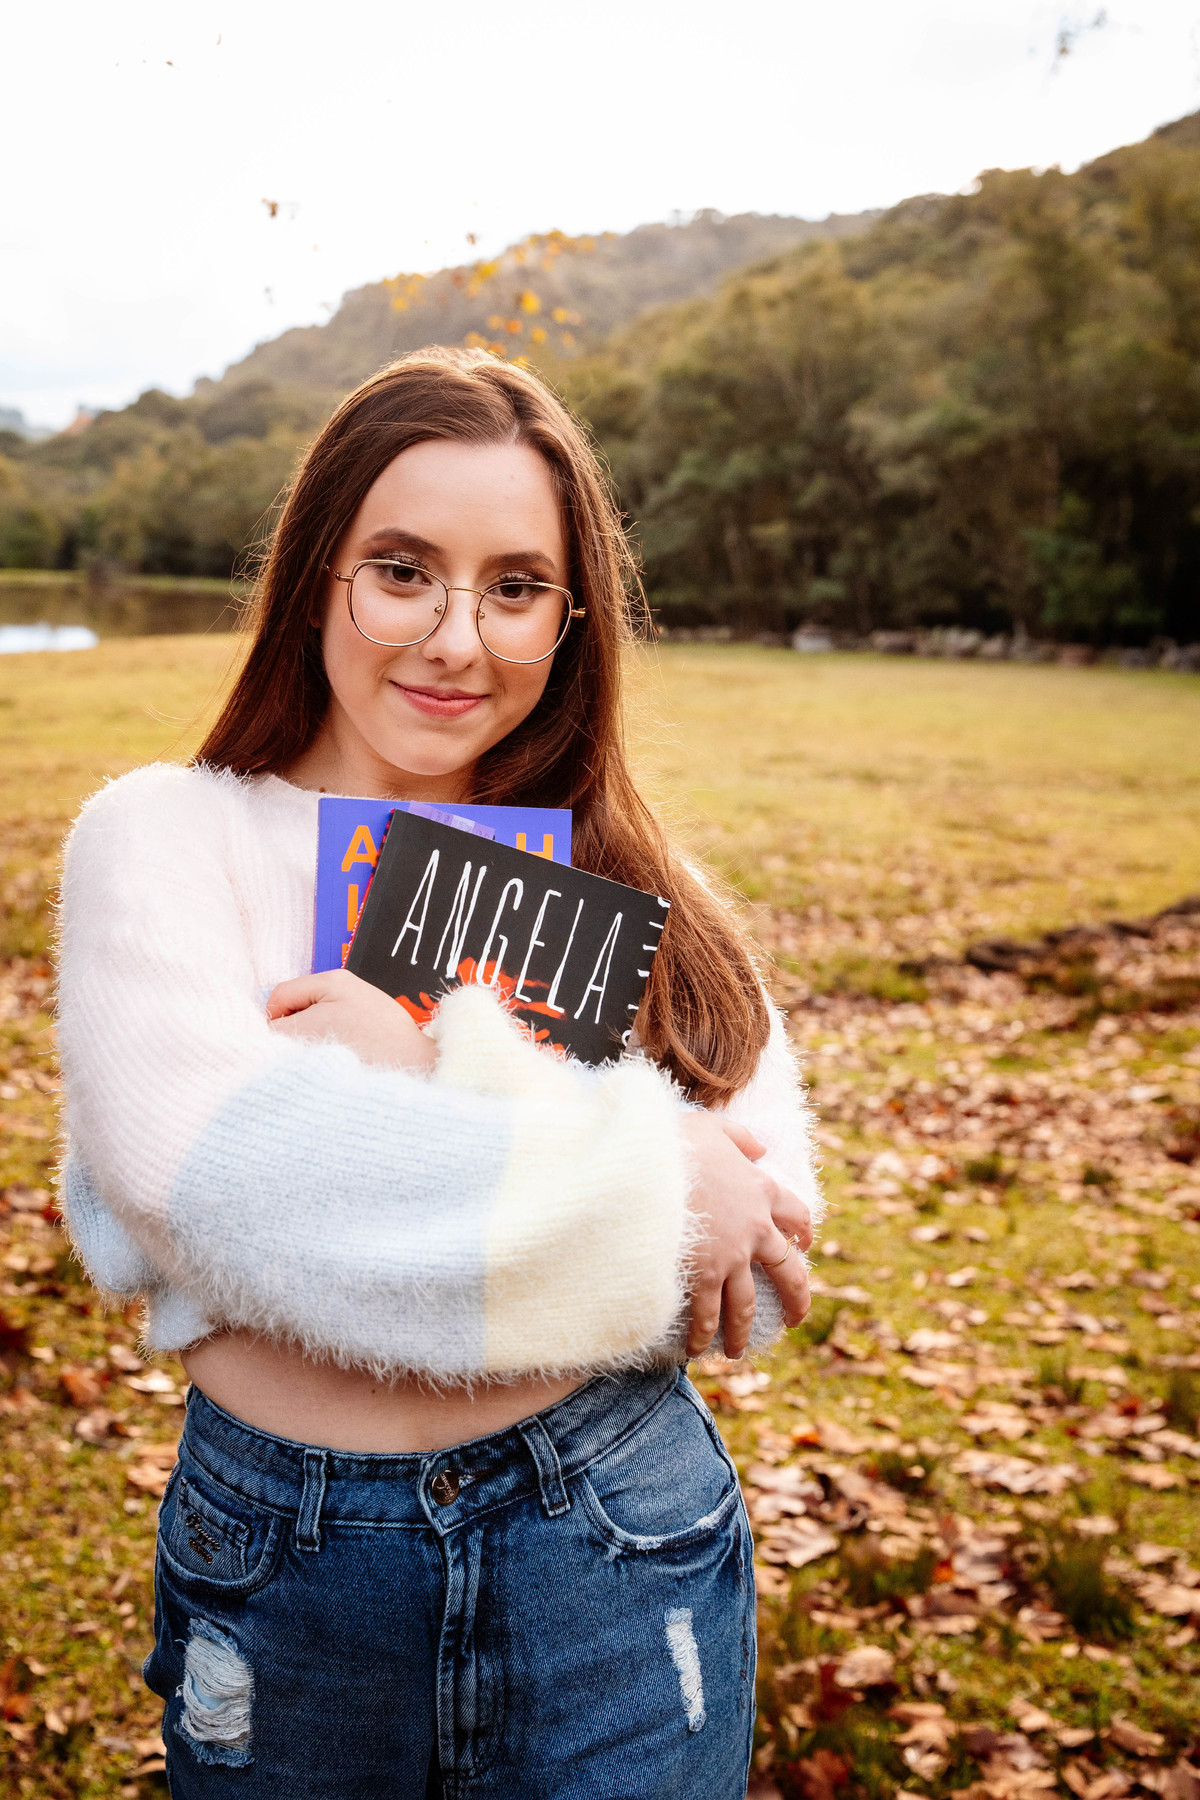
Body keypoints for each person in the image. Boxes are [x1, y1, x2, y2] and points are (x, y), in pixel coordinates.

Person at [56, 348, 822, 1799]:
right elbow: (203, 1183)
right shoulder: (165, 835)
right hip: (290, 1572)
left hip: (613, 1535)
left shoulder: (636, 883)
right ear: (315, 578)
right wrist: (657, 1179)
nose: (456, 638)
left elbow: (754, 1267)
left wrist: (432, 1065)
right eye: (402, 570)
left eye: (516, 587)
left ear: (570, 619)